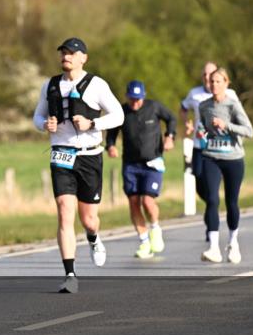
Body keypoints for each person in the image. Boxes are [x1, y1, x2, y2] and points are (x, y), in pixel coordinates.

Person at [34, 37, 124, 293]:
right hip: (61, 155)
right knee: (64, 210)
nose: (67, 56)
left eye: (72, 53)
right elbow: (37, 115)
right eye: (63, 52)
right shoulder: (50, 85)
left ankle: (94, 239)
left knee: (89, 219)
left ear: (83, 57)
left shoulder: (96, 85)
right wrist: (44, 125)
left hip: (89, 156)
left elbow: (118, 115)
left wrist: (92, 124)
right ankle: (70, 274)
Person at [106, 80, 176, 259]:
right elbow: (112, 132)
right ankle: (144, 242)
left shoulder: (154, 107)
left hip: (152, 162)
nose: (135, 103)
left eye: (138, 99)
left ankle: (155, 227)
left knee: (148, 201)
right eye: (132, 99)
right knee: (134, 202)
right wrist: (111, 146)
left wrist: (170, 137)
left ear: (143, 97)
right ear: (127, 97)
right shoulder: (122, 111)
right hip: (130, 164)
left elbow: (171, 119)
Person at [197, 68, 253, 264]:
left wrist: (226, 125)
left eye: (218, 81)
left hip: (233, 158)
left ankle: (233, 242)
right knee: (212, 199)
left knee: (231, 202)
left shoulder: (233, 105)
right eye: (211, 81)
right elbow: (204, 128)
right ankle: (213, 247)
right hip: (210, 157)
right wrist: (200, 133)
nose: (214, 85)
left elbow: (249, 131)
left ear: (226, 83)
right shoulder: (203, 106)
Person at [181, 62, 239, 203]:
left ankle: (216, 204)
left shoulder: (230, 94)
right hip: (200, 144)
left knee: (215, 181)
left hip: (221, 145)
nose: (208, 78)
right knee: (200, 182)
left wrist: (231, 127)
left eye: (211, 75)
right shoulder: (194, 93)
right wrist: (187, 122)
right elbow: (183, 108)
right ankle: (212, 202)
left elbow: (238, 114)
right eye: (205, 74)